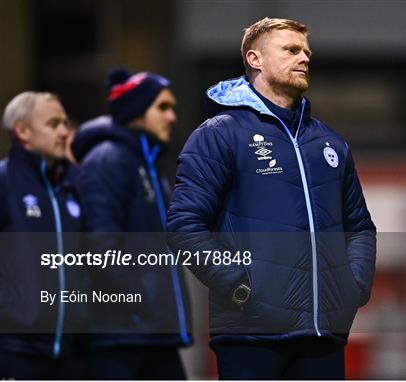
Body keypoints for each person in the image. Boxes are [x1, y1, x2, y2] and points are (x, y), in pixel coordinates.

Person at [167, 17, 376, 380]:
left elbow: (360, 228)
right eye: (291, 50)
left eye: (307, 52)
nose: (304, 58)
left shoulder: (329, 142)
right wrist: (237, 285)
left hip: (323, 335)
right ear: (255, 59)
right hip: (251, 335)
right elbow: (184, 226)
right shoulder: (219, 135)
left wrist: (353, 286)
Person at [71, 68, 192, 379]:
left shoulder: (147, 164)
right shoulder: (108, 160)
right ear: (136, 112)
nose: (172, 117)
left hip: (149, 332)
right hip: (121, 336)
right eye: (162, 107)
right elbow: (100, 247)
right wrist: (140, 303)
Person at [0, 92, 84, 378]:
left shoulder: (71, 187)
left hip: (70, 355)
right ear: (22, 131)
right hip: (15, 351)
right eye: (53, 124)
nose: (65, 132)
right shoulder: (4, 183)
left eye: (65, 123)